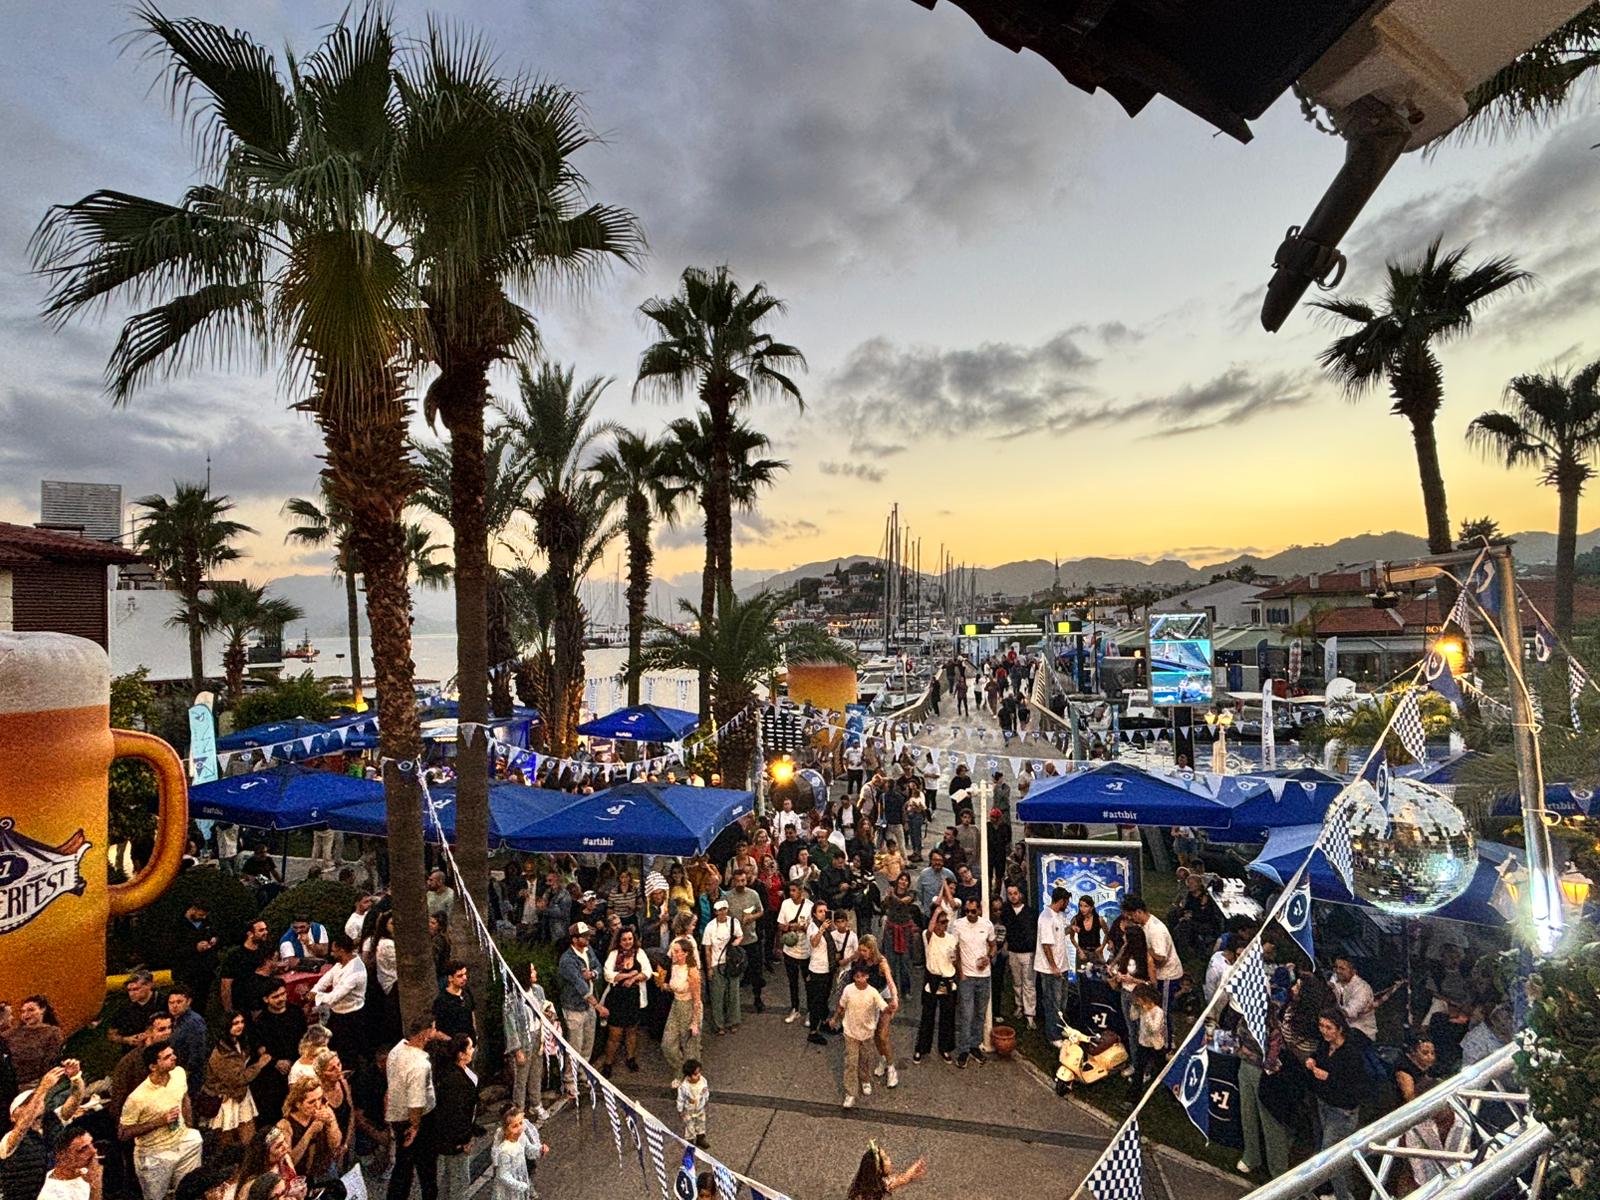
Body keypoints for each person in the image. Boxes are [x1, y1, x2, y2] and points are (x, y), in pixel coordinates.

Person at [121, 1043, 203, 1200]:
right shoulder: (137, 1097)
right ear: (153, 1066)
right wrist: (159, 1122)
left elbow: (184, 1098)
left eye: (173, 1053)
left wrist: (189, 1126)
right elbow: (123, 1133)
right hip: (155, 1154)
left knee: (190, 1192)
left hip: (184, 1143)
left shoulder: (179, 1073)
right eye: (167, 1057)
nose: (174, 1058)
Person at [1306, 1009, 1372, 1200]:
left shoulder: (1351, 1054)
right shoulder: (1325, 1045)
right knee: (1338, 1155)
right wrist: (1312, 1059)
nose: (1324, 1031)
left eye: (1329, 1027)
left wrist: (1329, 1077)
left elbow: (1354, 1087)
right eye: (1321, 1026)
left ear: (1340, 1029)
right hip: (1324, 1104)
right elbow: (1318, 1055)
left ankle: (1343, 1196)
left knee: (1330, 1157)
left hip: (1342, 1112)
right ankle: (1338, 1192)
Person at [3, 1065, 86, 1200]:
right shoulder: (8, 1138)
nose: (33, 1105)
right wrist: (42, 1089)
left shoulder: (53, 1120)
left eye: (35, 1101)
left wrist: (76, 1078)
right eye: (26, 1104)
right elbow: (23, 1125)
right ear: (13, 1116)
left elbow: (75, 1100)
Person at [385, 1016, 439, 1200]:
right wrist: (415, 1126)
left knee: (403, 1166)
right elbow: (416, 1102)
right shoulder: (419, 1065)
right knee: (426, 1168)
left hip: (397, 1116)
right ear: (425, 1034)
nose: (434, 1033)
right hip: (417, 1121)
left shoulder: (396, 1050)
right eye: (433, 1029)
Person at [1121, 895, 1182, 1043]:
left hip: (1167, 975)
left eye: (1130, 915)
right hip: (1157, 974)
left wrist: (1146, 953)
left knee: (1161, 1012)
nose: (1130, 918)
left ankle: (1166, 1045)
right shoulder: (1144, 925)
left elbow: (1161, 958)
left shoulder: (1155, 930)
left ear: (1139, 912)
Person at [203, 1013, 271, 1144]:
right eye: (235, 1023)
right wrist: (259, 1065)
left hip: (242, 1095)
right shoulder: (220, 1052)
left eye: (241, 1022)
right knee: (227, 1143)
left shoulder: (239, 1043)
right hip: (226, 1099)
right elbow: (237, 1079)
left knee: (249, 1140)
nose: (240, 1026)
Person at [424, 1035, 477, 1200]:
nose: (473, 1050)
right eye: (470, 1048)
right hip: (455, 1139)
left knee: (448, 1177)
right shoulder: (455, 1081)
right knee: (459, 1181)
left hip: (452, 1137)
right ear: (461, 1054)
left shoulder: (453, 1073)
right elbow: (455, 1113)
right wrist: (463, 1140)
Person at [832, 965, 890, 1110]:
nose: (860, 980)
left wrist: (891, 1007)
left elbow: (883, 1006)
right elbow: (841, 1006)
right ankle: (850, 1092)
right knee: (851, 1063)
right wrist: (835, 1018)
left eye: (863, 976)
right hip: (850, 1033)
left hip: (867, 1034)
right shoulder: (848, 990)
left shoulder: (873, 992)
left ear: (867, 977)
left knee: (865, 1059)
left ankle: (865, 1080)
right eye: (857, 977)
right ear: (854, 977)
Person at [557, 924, 605, 1096]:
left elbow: (598, 967)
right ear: (574, 939)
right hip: (574, 1007)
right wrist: (597, 1005)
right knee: (575, 1045)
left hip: (588, 1006)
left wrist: (592, 974)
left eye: (588, 936)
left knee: (587, 1044)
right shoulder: (567, 960)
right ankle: (569, 1080)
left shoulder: (588, 950)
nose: (588, 939)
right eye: (584, 936)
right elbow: (579, 984)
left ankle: (583, 1073)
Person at [502, 963, 553, 1124]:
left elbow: (543, 1008)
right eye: (531, 970)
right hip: (523, 1040)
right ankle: (519, 1110)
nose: (535, 972)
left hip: (538, 1036)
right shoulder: (511, 1000)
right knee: (521, 1078)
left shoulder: (538, 990)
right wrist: (517, 1050)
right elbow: (510, 1027)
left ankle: (536, 1104)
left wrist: (549, 1013)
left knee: (537, 1073)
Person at [600, 926, 651, 1076]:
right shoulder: (614, 954)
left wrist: (634, 978)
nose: (628, 942)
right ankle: (608, 1063)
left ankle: (630, 1058)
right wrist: (629, 975)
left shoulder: (640, 953)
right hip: (617, 998)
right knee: (614, 1034)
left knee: (631, 1031)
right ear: (619, 941)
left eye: (630, 939)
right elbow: (608, 975)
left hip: (634, 998)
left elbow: (647, 972)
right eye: (624, 940)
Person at [952, 897, 994, 1068]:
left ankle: (974, 1045)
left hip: (984, 976)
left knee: (980, 1013)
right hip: (967, 977)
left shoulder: (987, 925)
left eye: (973, 911)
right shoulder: (958, 925)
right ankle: (963, 1049)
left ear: (979, 910)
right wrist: (960, 972)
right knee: (966, 1014)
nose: (970, 914)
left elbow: (993, 945)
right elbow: (955, 949)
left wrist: (988, 957)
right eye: (967, 911)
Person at [311, 933, 368, 1061]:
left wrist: (315, 996)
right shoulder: (340, 964)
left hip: (352, 1018)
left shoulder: (356, 972)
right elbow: (326, 979)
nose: (331, 954)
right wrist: (314, 990)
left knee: (348, 1053)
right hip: (337, 1014)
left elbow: (335, 996)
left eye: (333, 951)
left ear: (341, 950)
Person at [275, 1076, 342, 1182]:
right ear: (298, 1104)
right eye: (311, 1102)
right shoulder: (285, 1125)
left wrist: (330, 1124)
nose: (317, 1105)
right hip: (299, 1177)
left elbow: (335, 1144)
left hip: (324, 1169)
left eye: (320, 1098)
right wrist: (310, 1132)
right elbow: (289, 1162)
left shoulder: (325, 1110)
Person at [913, 909, 958, 1063]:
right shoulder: (929, 936)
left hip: (948, 978)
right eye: (942, 922)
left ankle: (945, 1048)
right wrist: (937, 910)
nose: (945, 925)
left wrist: (955, 960)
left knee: (947, 1016)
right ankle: (921, 1048)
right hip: (933, 979)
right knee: (928, 1016)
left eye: (946, 922)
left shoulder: (951, 938)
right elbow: (929, 930)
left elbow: (955, 957)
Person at [661, 937, 704, 1088]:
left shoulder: (692, 971)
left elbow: (697, 1000)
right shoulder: (674, 967)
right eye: (673, 950)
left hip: (689, 1007)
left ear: (686, 953)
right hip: (676, 1006)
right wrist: (665, 985)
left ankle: (692, 1077)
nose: (674, 953)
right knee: (667, 1044)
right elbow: (674, 987)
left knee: (690, 1048)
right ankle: (680, 1069)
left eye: (677, 951)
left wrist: (695, 1022)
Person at [996, 883, 1037, 1028]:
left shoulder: (1031, 913)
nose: (1013, 896)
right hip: (1013, 952)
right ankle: (1019, 1006)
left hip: (1028, 953)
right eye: (1010, 894)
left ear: (1020, 894)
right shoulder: (1006, 912)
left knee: (1029, 984)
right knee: (1017, 982)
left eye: (1015, 893)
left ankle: (1030, 1014)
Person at [1035, 887, 1072, 1046]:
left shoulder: (1059, 916)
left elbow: (1060, 934)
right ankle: (1053, 1036)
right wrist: (1054, 967)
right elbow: (1046, 945)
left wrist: (1071, 929)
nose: (1067, 905)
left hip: (1062, 966)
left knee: (1062, 1001)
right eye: (1067, 902)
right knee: (1052, 1003)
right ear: (1061, 901)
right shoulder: (1046, 917)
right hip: (1050, 970)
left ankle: (1060, 1028)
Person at [700, 899, 744, 1035]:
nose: (722, 912)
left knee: (733, 993)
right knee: (717, 995)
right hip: (716, 963)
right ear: (715, 912)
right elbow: (707, 949)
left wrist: (734, 945)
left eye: (724, 909)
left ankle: (733, 1021)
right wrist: (709, 968)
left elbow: (740, 936)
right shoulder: (710, 927)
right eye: (720, 910)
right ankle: (719, 1024)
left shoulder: (734, 922)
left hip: (731, 963)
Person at [725, 868, 765, 1013]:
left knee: (756, 971)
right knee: (732, 971)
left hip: (751, 939)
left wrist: (752, 917)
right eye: (738, 881)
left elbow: (761, 911)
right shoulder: (727, 897)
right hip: (735, 941)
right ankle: (731, 1003)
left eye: (743, 880)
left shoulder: (753, 894)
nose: (740, 883)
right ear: (733, 881)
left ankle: (757, 998)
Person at [776, 880, 814, 1023]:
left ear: (801, 890)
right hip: (789, 950)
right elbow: (780, 924)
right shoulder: (785, 904)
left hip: (805, 951)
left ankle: (810, 1011)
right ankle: (795, 1009)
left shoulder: (810, 906)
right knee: (792, 982)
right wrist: (786, 927)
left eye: (794, 890)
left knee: (808, 983)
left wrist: (801, 927)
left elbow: (813, 929)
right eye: (790, 891)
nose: (791, 893)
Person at [4, 994, 62, 1088]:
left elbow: (51, 1060)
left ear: (42, 1010)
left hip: (33, 1083)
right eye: (23, 1011)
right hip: (8, 1082)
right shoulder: (13, 1031)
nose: (26, 1014)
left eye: (31, 1010)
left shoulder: (52, 1032)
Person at [173, 901, 221, 1013]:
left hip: (205, 970)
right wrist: (195, 948)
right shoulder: (177, 926)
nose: (203, 917)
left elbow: (216, 933)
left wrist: (215, 939)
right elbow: (173, 950)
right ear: (193, 910)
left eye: (205, 915)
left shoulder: (206, 922)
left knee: (202, 1001)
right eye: (200, 915)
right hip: (187, 972)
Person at [489, 1107, 546, 1200]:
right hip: (509, 1187)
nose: (519, 1128)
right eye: (515, 1126)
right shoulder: (505, 1150)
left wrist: (540, 1150)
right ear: (506, 1129)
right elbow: (503, 1175)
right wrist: (521, 1186)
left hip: (520, 1175)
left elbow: (529, 1150)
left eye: (521, 1123)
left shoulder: (522, 1136)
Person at [1125, 984, 1167, 1100]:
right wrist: (1134, 1007)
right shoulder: (1141, 1009)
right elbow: (1133, 1017)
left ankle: (1169, 1091)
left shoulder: (1158, 1012)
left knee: (1161, 1069)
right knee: (1138, 1070)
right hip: (1143, 1044)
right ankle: (1133, 1096)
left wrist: (1147, 1013)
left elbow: (1154, 1029)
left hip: (1156, 1046)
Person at [38, 1125, 102, 1200]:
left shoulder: (87, 1172)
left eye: (92, 1144)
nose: (93, 1151)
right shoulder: (49, 1194)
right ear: (62, 1155)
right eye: (83, 1149)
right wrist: (95, 1185)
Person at [845, 1142, 927, 1200]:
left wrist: (911, 1173)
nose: (889, 1159)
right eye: (886, 1158)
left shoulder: (875, 1184)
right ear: (879, 1170)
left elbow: (901, 1179)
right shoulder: (861, 1196)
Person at [166, 986, 209, 1096]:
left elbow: (197, 1052)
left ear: (188, 1001)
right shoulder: (174, 1021)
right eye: (171, 1003)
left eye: (179, 1002)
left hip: (189, 1076)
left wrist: (187, 1072)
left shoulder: (194, 1022)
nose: (174, 1006)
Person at [1329, 956, 1379, 1040]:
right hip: (1342, 1032)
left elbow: (1349, 1012)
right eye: (1336, 967)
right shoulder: (1336, 981)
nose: (1337, 971)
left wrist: (1329, 1012)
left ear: (1353, 971)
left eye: (1342, 968)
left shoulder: (1362, 989)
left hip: (1361, 1034)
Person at [110, 972, 164, 1050]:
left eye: (136, 989)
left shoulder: (164, 1002)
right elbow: (111, 1034)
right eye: (129, 990)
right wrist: (126, 1040)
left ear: (148, 986)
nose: (131, 994)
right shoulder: (124, 1008)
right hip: (133, 1050)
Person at [432, 962, 478, 1043]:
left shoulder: (466, 992)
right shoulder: (442, 1000)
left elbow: (472, 1013)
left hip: (470, 1041)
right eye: (460, 976)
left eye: (465, 974)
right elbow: (437, 1029)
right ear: (450, 978)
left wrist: (475, 1033)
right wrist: (453, 1042)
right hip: (454, 1045)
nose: (464, 978)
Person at [676, 1059, 711, 1148]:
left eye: (699, 1072)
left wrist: (705, 1099)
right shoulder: (684, 1087)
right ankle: (690, 1143)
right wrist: (680, 1109)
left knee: (701, 1124)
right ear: (688, 1076)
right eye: (695, 1074)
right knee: (689, 1127)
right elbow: (680, 1099)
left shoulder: (703, 1081)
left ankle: (700, 1139)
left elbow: (706, 1092)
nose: (699, 1075)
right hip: (689, 1110)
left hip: (700, 1109)